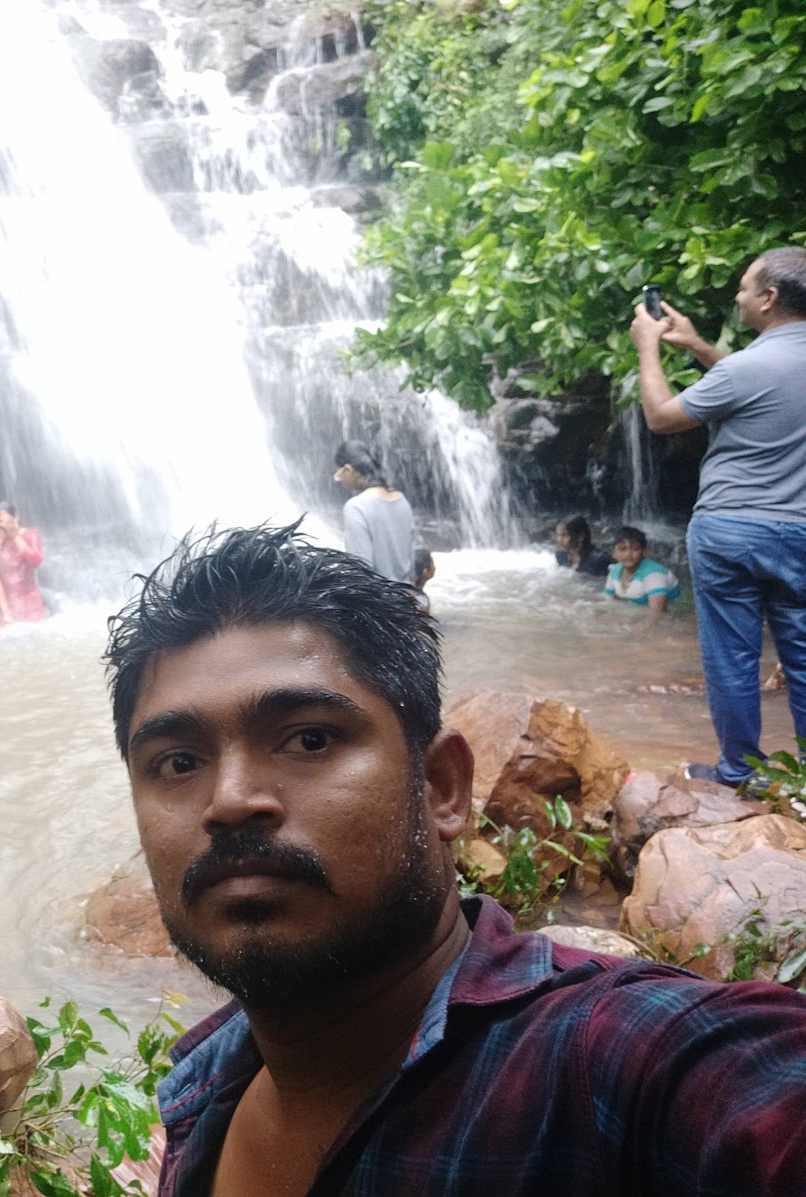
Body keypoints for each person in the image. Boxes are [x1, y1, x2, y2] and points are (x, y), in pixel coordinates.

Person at [103, 522, 806, 1196]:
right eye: (178, 760)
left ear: (442, 786)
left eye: (310, 739)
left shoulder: (616, 1065)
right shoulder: (207, 1085)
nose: (229, 801)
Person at [631, 247, 806, 788]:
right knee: (800, 657)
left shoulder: (749, 366)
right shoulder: (754, 365)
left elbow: (662, 418)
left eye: (745, 287)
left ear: (770, 298)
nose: (737, 296)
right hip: (799, 530)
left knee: (732, 658)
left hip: (731, 529)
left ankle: (737, 772)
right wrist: (700, 346)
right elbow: (759, 388)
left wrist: (649, 350)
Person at [332, 440, 414, 583]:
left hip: (379, 602)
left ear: (348, 470)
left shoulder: (356, 507)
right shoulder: (402, 501)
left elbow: (361, 571)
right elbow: (411, 561)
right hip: (406, 599)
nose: (341, 482)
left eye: (339, 476)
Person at [602, 524, 681, 624]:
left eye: (635, 549)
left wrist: (635, 631)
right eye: (622, 549)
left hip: (678, 615)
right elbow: (609, 603)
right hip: (637, 610)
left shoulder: (654, 574)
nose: (628, 554)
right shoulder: (614, 570)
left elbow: (658, 613)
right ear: (614, 552)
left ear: (644, 551)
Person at [0, 502, 48, 622]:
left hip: (29, 597)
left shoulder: (31, 535)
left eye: (6, 520)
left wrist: (14, 535)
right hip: (4, 599)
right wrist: (0, 538)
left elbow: (35, 560)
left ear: (16, 518)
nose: (3, 524)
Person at [410, 545, 435, 614]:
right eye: (432, 564)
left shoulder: (409, 589)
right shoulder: (421, 600)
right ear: (425, 571)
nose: (435, 568)